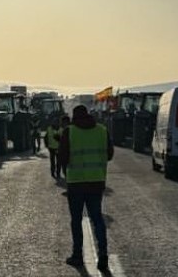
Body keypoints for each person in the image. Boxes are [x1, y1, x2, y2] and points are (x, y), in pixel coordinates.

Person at [59, 105, 113, 272]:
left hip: (76, 183)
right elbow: (109, 154)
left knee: (76, 220)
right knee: (97, 218)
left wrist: (66, 172)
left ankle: (77, 256)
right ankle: (103, 254)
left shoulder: (69, 131)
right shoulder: (102, 130)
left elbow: (63, 156)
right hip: (96, 181)